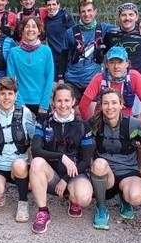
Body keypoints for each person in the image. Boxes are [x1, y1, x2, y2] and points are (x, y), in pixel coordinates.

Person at [28, 85, 94, 234]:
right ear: (53, 102)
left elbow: (86, 160)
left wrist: (65, 179)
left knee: (83, 198)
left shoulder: (83, 126)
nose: (63, 105)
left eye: (66, 100)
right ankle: (43, 211)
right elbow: (36, 150)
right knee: (37, 162)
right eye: (59, 100)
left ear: (73, 101)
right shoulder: (44, 122)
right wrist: (61, 157)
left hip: (75, 174)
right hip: (52, 175)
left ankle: (73, 197)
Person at [89, 89, 141, 230]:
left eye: (114, 103)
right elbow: (80, 139)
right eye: (106, 103)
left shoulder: (134, 124)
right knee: (99, 164)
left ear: (121, 104)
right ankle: (101, 208)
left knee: (136, 197)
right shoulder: (95, 123)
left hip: (128, 172)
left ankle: (125, 198)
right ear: (101, 105)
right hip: (106, 174)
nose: (110, 107)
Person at [0, 77, 35, 222]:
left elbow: (33, 139)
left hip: (20, 165)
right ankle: (1, 188)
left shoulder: (25, 112)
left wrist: (33, 168)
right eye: (3, 94)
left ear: (16, 95)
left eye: (10, 94)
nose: (6, 98)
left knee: (19, 164)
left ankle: (23, 202)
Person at [78, 46, 141, 127]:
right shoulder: (99, 79)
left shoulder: (134, 77)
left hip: (126, 122)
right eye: (112, 62)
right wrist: (90, 128)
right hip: (103, 122)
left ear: (127, 63)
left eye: (120, 62)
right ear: (106, 64)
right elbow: (83, 105)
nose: (116, 66)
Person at [58, 0, 114, 96]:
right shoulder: (70, 32)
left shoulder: (104, 29)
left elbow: (125, 28)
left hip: (94, 81)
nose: (86, 14)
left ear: (95, 11)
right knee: (71, 110)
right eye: (83, 11)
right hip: (72, 81)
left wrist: (140, 23)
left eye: (89, 10)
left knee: (91, 110)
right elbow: (63, 56)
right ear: (79, 13)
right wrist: (60, 78)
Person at [6, 16, 54, 117]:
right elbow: (10, 81)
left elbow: (49, 78)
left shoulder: (46, 51)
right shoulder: (13, 52)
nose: (30, 29)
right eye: (27, 26)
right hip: (19, 104)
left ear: (39, 31)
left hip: (41, 104)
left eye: (34, 26)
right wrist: (20, 104)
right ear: (22, 30)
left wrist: (44, 105)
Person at [103, 2, 141, 81]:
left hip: (139, 81)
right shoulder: (111, 34)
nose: (127, 18)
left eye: (131, 14)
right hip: (115, 81)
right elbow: (104, 53)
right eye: (123, 15)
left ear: (136, 17)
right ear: (119, 17)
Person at [42, 0, 75, 83]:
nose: (51, 7)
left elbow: (74, 35)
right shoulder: (45, 20)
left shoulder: (65, 17)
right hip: (54, 58)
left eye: (54, 4)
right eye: (49, 5)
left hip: (66, 57)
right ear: (46, 6)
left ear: (58, 5)